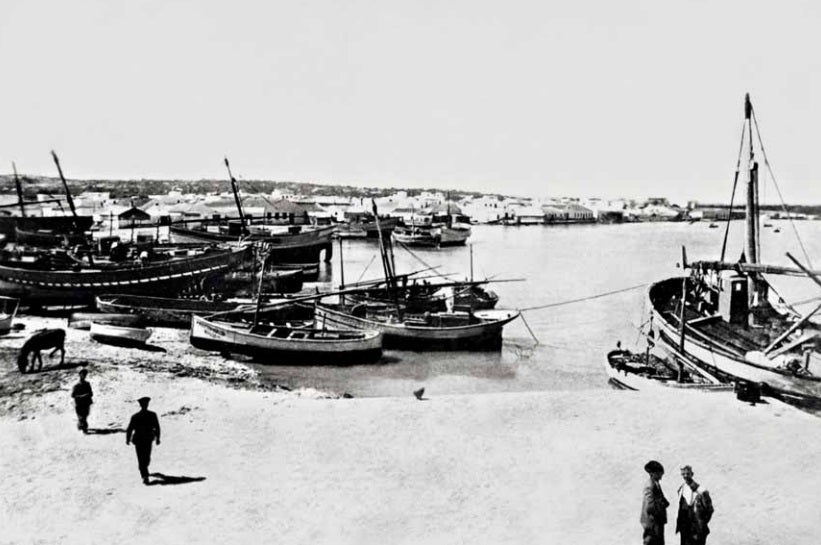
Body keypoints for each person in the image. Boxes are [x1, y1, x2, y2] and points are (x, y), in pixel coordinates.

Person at [126, 396, 161, 485]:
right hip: (144, 439)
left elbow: (130, 429)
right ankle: (145, 476)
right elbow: (157, 427)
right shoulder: (149, 415)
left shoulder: (138, 416)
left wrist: (158, 438)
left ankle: (144, 471)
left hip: (143, 439)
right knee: (143, 458)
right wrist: (158, 438)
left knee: (144, 458)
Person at [675, 465, 714, 545]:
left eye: (688, 473)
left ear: (692, 474)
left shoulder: (701, 491)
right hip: (685, 529)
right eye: (683, 474)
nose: (685, 476)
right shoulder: (681, 489)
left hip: (697, 529)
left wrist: (702, 522)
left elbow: (709, 509)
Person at [641, 460, 670, 545]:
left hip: (657, 520)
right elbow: (650, 505)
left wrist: (665, 503)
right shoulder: (649, 485)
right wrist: (660, 509)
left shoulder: (656, 484)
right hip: (653, 521)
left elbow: (661, 498)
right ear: (652, 473)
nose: (661, 476)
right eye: (660, 474)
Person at [70, 369, 93, 433]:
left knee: (85, 415)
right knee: (81, 416)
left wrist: (86, 395)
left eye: (85, 375)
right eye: (82, 374)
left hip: (86, 403)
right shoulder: (76, 386)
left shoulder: (87, 384)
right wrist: (81, 396)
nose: (83, 376)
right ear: (79, 375)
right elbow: (72, 395)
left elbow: (91, 393)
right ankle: (84, 427)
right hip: (79, 403)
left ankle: (81, 425)